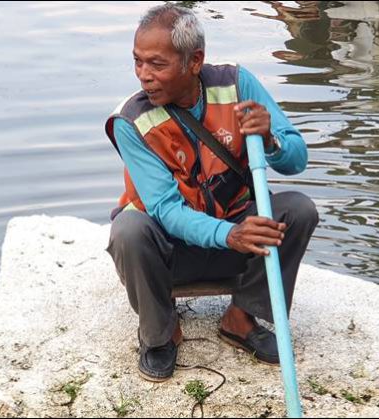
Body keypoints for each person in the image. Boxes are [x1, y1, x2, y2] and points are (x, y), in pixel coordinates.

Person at [105, 4, 318, 382]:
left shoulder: (238, 85)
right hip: (171, 252)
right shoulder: (130, 121)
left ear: (194, 61)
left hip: (232, 240)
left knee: (298, 210)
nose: (144, 76)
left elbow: (296, 160)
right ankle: (159, 333)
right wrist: (230, 235)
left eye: (157, 64)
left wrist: (271, 140)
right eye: (137, 62)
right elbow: (166, 210)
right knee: (129, 230)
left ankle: (241, 317)